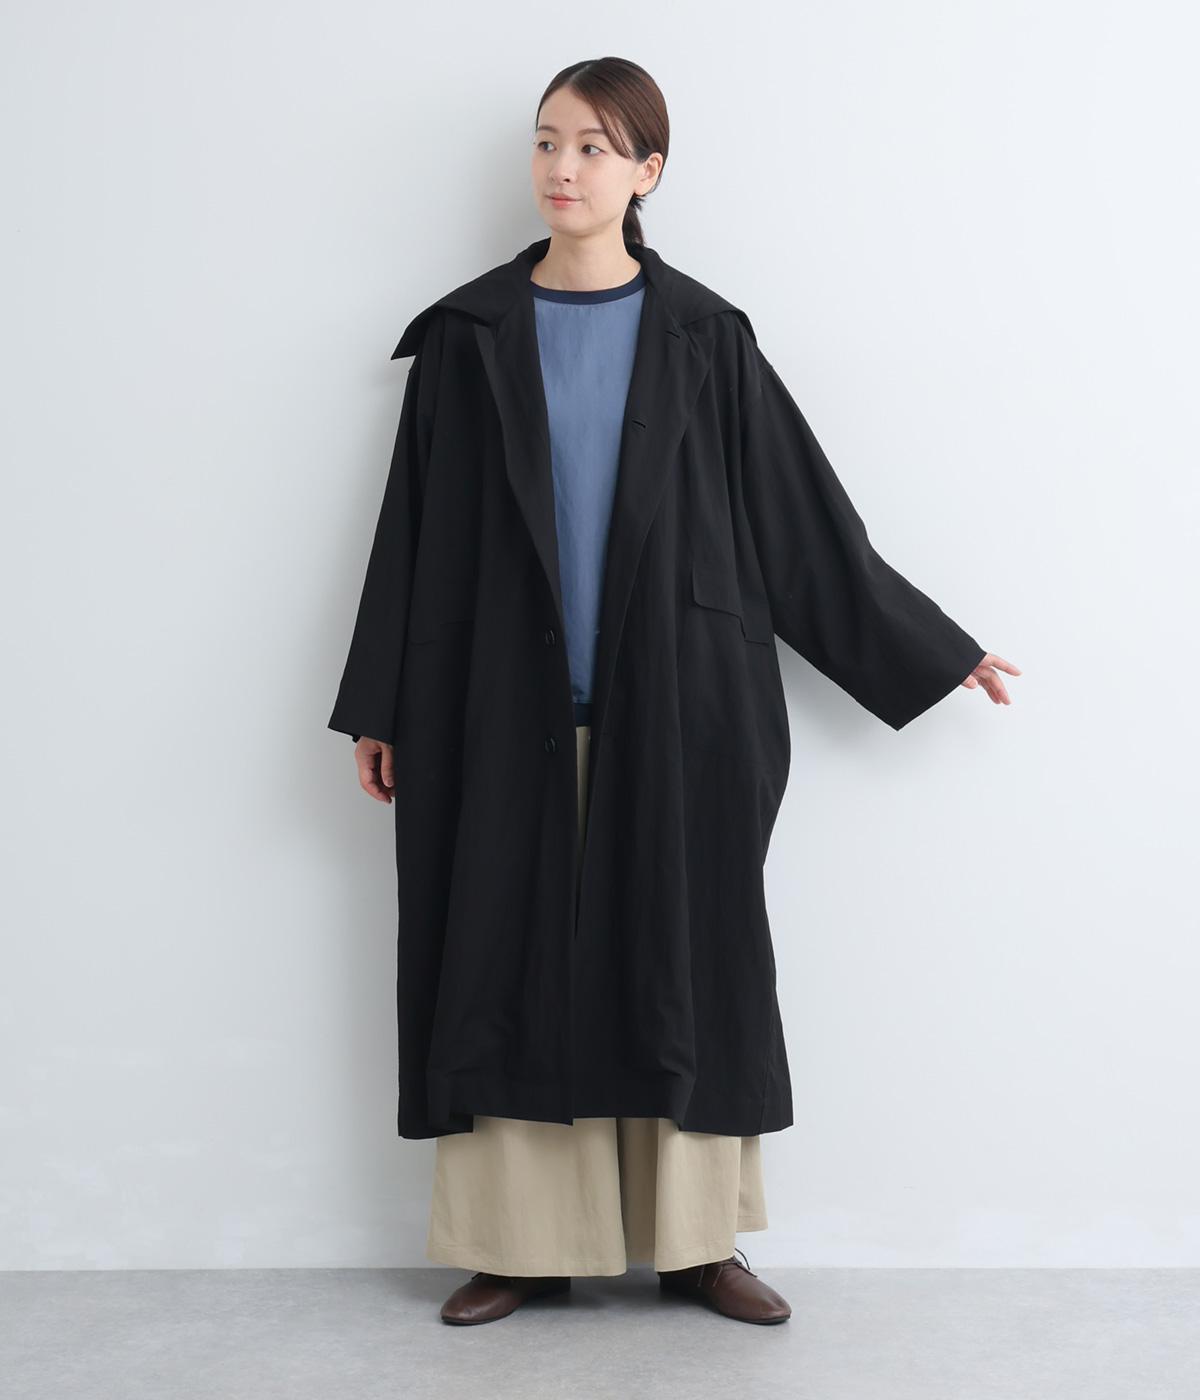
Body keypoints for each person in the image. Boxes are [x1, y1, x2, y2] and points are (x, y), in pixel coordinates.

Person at [330, 57, 1020, 1328]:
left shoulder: (707, 337)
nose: (563, 167)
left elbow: (804, 528)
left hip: (682, 707)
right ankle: (523, 1243)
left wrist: (935, 646)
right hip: (496, 709)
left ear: (647, 171)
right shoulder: (469, 340)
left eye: (595, 147)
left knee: (681, 959)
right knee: (504, 952)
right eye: (548, 141)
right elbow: (411, 535)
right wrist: (382, 703)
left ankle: (698, 1244)